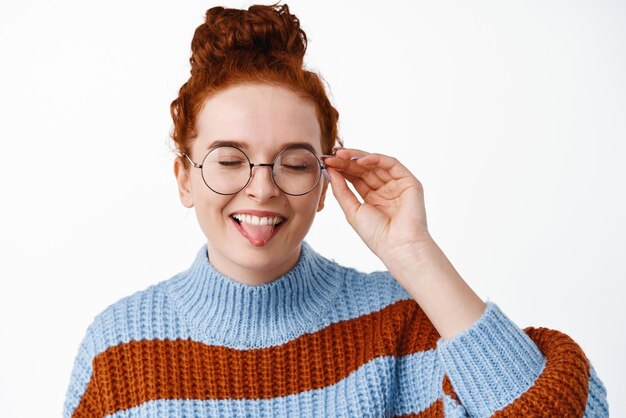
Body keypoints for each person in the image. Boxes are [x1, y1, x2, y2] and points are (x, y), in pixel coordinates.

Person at [64, 4, 608, 417]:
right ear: (184, 178)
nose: (262, 189)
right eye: (229, 160)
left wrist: (416, 256)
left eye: (294, 163)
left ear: (325, 183)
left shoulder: (403, 325)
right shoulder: (117, 348)